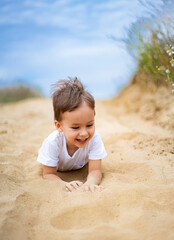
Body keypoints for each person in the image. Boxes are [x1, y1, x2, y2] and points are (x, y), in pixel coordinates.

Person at [37, 77, 107, 192]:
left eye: (89, 125)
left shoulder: (94, 138)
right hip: (59, 169)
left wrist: (90, 182)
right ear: (59, 126)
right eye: (75, 127)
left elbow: (95, 171)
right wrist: (64, 183)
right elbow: (48, 174)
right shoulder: (52, 142)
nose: (84, 133)